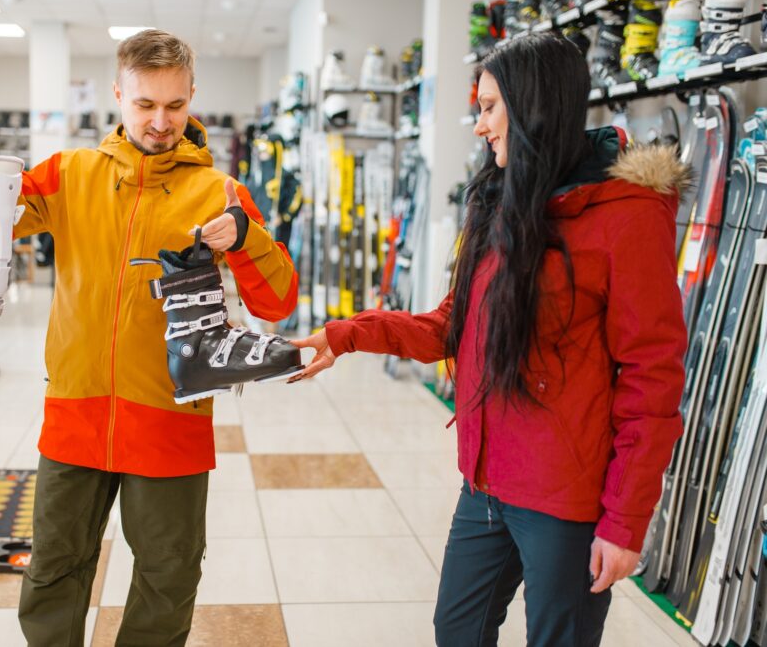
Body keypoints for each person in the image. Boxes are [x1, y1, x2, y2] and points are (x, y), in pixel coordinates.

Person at [291, 32, 688, 646]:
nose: (479, 125)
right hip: (485, 483)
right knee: (457, 630)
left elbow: (652, 379)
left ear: (535, 106)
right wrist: (347, 335)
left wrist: (625, 521)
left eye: (489, 107)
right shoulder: (502, 199)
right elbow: (452, 325)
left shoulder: (626, 216)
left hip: (565, 500)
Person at [0, 30, 298, 646]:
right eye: (144, 105)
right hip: (76, 411)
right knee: (54, 569)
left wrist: (246, 238)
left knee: (168, 575)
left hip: (169, 421)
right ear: (118, 94)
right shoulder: (70, 174)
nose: (161, 121)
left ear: (191, 98)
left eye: (174, 105)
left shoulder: (220, 191)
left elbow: (278, 301)